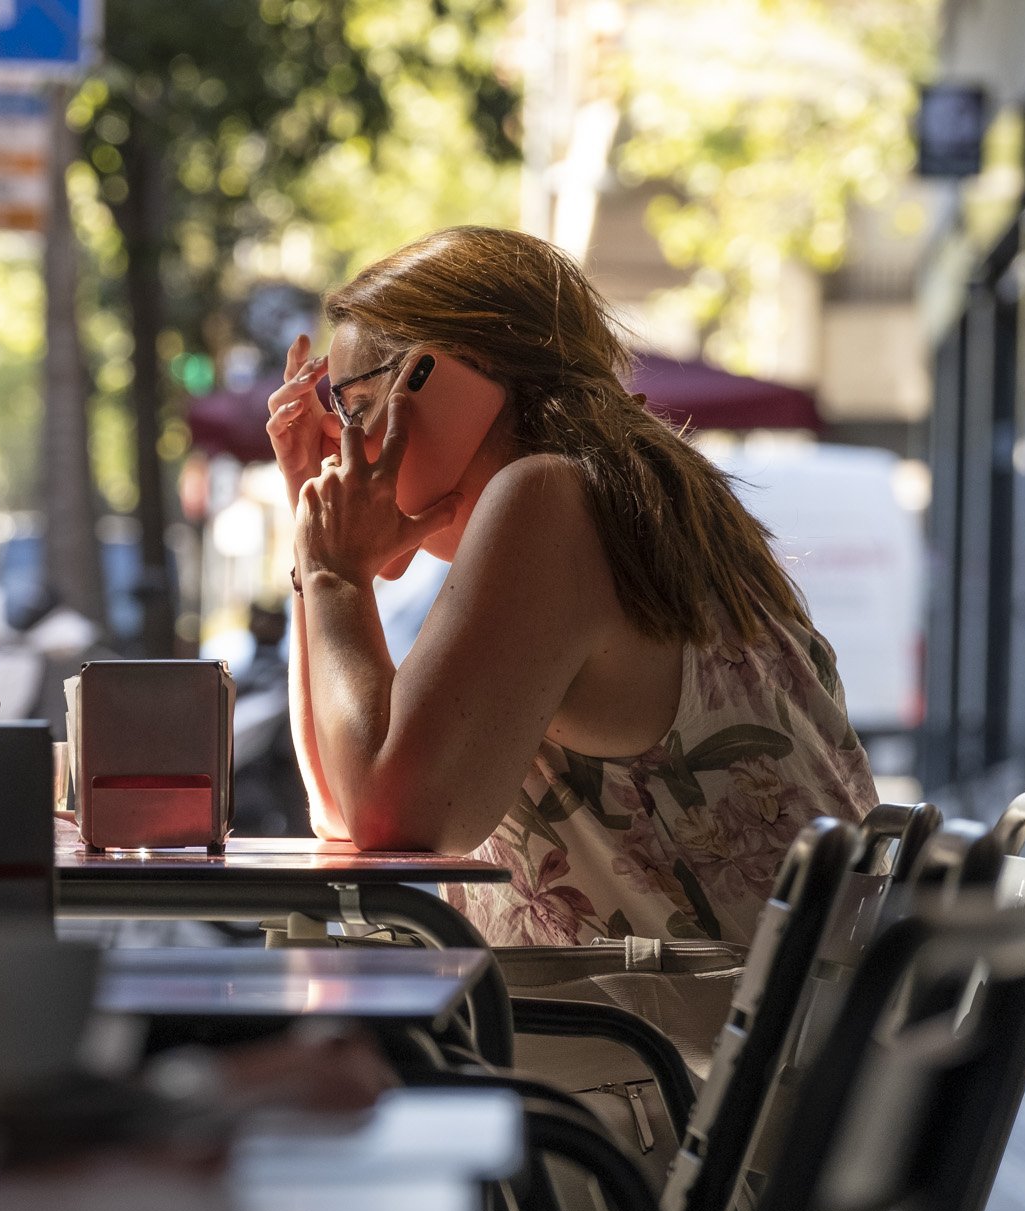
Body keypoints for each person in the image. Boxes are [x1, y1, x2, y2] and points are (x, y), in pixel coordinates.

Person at [266, 226, 876, 947]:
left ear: (450, 374)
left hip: (672, 1049)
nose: (344, 447)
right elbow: (344, 809)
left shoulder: (551, 499)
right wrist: (319, 546)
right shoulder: (629, 495)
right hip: (732, 1039)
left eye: (355, 405)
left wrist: (337, 572)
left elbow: (391, 817)